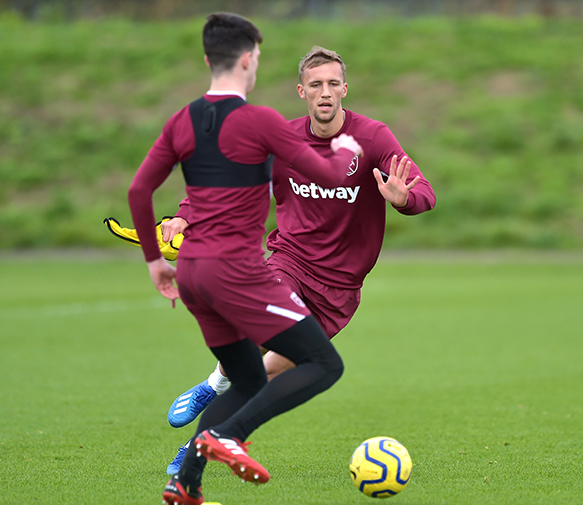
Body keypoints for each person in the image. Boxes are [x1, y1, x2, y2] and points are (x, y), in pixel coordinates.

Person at [161, 45, 436, 475]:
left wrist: (405, 199)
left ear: (345, 89)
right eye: (315, 85)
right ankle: (213, 390)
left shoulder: (373, 138)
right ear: (301, 92)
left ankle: (200, 440)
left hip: (340, 291)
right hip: (289, 262)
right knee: (258, 339)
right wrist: (182, 215)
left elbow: (424, 191)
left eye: (332, 84)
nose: (324, 92)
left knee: (268, 376)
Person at [127, 14, 363, 505]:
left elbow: (139, 190)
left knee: (249, 377)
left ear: (207, 59)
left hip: (191, 276)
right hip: (237, 272)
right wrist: (345, 154)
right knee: (323, 362)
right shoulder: (261, 121)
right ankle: (226, 435)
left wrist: (155, 263)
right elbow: (325, 170)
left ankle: (185, 481)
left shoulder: (183, 119)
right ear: (248, 59)